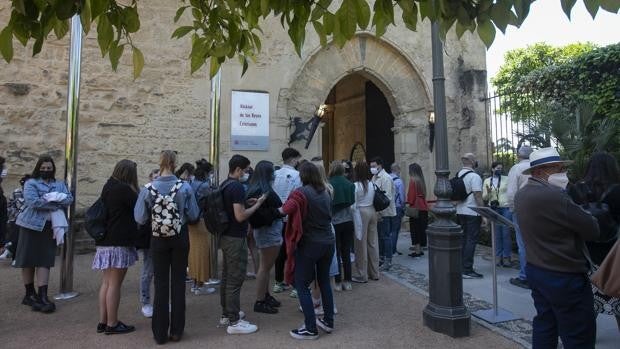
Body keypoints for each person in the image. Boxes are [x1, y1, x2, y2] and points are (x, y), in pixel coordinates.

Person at [515, 147, 600, 349]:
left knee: (546, 324)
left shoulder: (523, 194)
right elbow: (592, 228)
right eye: (556, 169)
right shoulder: (553, 196)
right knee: (578, 334)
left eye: (562, 168)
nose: (562, 173)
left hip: (537, 268)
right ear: (538, 172)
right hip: (564, 273)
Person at [134, 150, 200, 344]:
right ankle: (177, 331)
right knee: (178, 283)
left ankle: (160, 333)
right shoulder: (185, 187)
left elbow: (139, 217)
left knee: (160, 284)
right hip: (179, 236)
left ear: (160, 163)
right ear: (174, 163)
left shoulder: (148, 188)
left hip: (158, 238)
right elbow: (194, 214)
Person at [280, 161, 335, 340]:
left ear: (303, 176)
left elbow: (284, 210)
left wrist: (262, 204)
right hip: (328, 241)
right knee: (324, 281)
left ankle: (310, 328)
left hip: (310, 243)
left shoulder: (301, 193)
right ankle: (328, 321)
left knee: (302, 284)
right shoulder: (326, 191)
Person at [568, 152, 620, 331]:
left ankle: (587, 339)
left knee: (588, 303)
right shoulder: (618, 190)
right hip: (614, 255)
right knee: (617, 294)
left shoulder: (576, 189)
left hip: (585, 253)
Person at [14, 155, 73, 313]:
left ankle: (42, 295)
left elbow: (69, 199)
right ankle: (29, 293)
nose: (46, 170)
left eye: (49, 168)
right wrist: (55, 203)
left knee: (44, 261)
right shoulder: (31, 183)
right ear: (38, 168)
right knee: (28, 260)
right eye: (43, 168)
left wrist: (48, 201)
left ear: (53, 169)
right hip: (30, 225)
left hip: (49, 227)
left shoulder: (59, 184)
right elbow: (33, 202)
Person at [219, 154, 267, 334]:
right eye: (246, 170)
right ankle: (234, 321)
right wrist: (257, 205)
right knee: (235, 278)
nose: (247, 173)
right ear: (238, 169)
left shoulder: (225, 184)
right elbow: (240, 216)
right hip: (235, 238)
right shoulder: (237, 187)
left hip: (225, 236)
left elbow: (231, 208)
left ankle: (226, 313)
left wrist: (246, 202)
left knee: (226, 277)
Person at [93, 160, 140, 335]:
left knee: (106, 283)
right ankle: (112, 324)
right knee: (114, 285)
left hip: (105, 241)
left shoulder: (108, 186)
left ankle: (103, 321)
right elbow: (139, 208)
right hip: (118, 242)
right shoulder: (124, 190)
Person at [245, 160, 284, 314]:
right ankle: (260, 301)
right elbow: (259, 215)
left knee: (266, 267)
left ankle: (265, 295)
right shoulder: (260, 189)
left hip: (267, 230)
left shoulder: (258, 187)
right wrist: (279, 212)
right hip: (267, 231)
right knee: (264, 267)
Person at [272, 148, 302, 295]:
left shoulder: (275, 174)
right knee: (293, 250)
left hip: (277, 215)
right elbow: (299, 196)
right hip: (291, 216)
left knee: (280, 251)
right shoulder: (297, 175)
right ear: (293, 159)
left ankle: (278, 282)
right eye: (297, 159)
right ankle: (295, 285)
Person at [505, 145, 533, 289]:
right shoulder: (537, 166)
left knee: (523, 244)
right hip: (539, 208)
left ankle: (525, 276)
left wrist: (512, 209)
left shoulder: (516, 168)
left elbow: (511, 193)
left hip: (522, 209)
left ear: (518, 155)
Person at [188, 159, 216, 295]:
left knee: (194, 254)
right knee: (203, 254)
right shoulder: (204, 186)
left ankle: (195, 283)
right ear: (206, 173)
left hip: (192, 222)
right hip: (202, 221)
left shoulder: (192, 183)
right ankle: (200, 284)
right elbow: (212, 200)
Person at [455, 153, 484, 279]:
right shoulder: (475, 176)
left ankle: (462, 266)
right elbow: (478, 196)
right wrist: (484, 214)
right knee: (471, 240)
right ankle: (467, 269)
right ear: (472, 162)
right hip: (472, 212)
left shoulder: (458, 175)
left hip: (460, 211)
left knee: (463, 239)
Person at [328, 161, 355, 291]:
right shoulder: (349, 184)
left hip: (335, 222)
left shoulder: (329, 184)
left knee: (336, 252)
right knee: (346, 251)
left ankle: (338, 282)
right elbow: (352, 201)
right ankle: (348, 281)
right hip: (348, 220)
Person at [351, 161, 378, 283]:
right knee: (372, 243)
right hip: (372, 211)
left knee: (360, 244)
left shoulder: (356, 186)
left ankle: (362, 274)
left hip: (361, 212)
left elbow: (353, 205)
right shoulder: (371, 184)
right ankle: (374, 272)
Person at [137, 168, 158, 318]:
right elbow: (140, 217)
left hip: (162, 235)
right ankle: (145, 301)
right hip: (150, 236)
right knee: (148, 270)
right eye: (155, 177)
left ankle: (160, 301)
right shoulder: (146, 191)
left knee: (161, 271)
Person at [482, 161, 512, 267]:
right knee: (496, 234)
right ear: (492, 169)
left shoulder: (506, 179)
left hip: (505, 208)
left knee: (506, 233)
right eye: (497, 168)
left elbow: (510, 192)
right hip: (493, 208)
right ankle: (498, 257)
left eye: (501, 168)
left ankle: (506, 257)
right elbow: (484, 198)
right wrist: (489, 192)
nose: (499, 170)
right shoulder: (487, 181)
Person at [370, 157, 396, 271]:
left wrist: (380, 212)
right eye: (371, 166)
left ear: (380, 165)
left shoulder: (386, 178)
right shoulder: (374, 177)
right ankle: (381, 258)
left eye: (374, 166)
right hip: (377, 212)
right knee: (380, 236)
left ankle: (388, 260)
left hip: (385, 212)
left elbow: (387, 198)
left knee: (386, 236)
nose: (373, 168)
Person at [406, 163, 429, 258]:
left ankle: (417, 250)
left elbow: (411, 197)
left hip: (415, 208)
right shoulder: (421, 180)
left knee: (415, 230)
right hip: (423, 207)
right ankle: (421, 249)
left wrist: (408, 202)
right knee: (421, 229)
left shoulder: (413, 180)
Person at [390, 163, 406, 256]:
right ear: (397, 169)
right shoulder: (399, 181)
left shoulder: (387, 178)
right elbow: (402, 197)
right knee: (395, 229)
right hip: (397, 207)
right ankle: (393, 250)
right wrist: (403, 206)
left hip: (388, 207)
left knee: (388, 230)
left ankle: (387, 250)